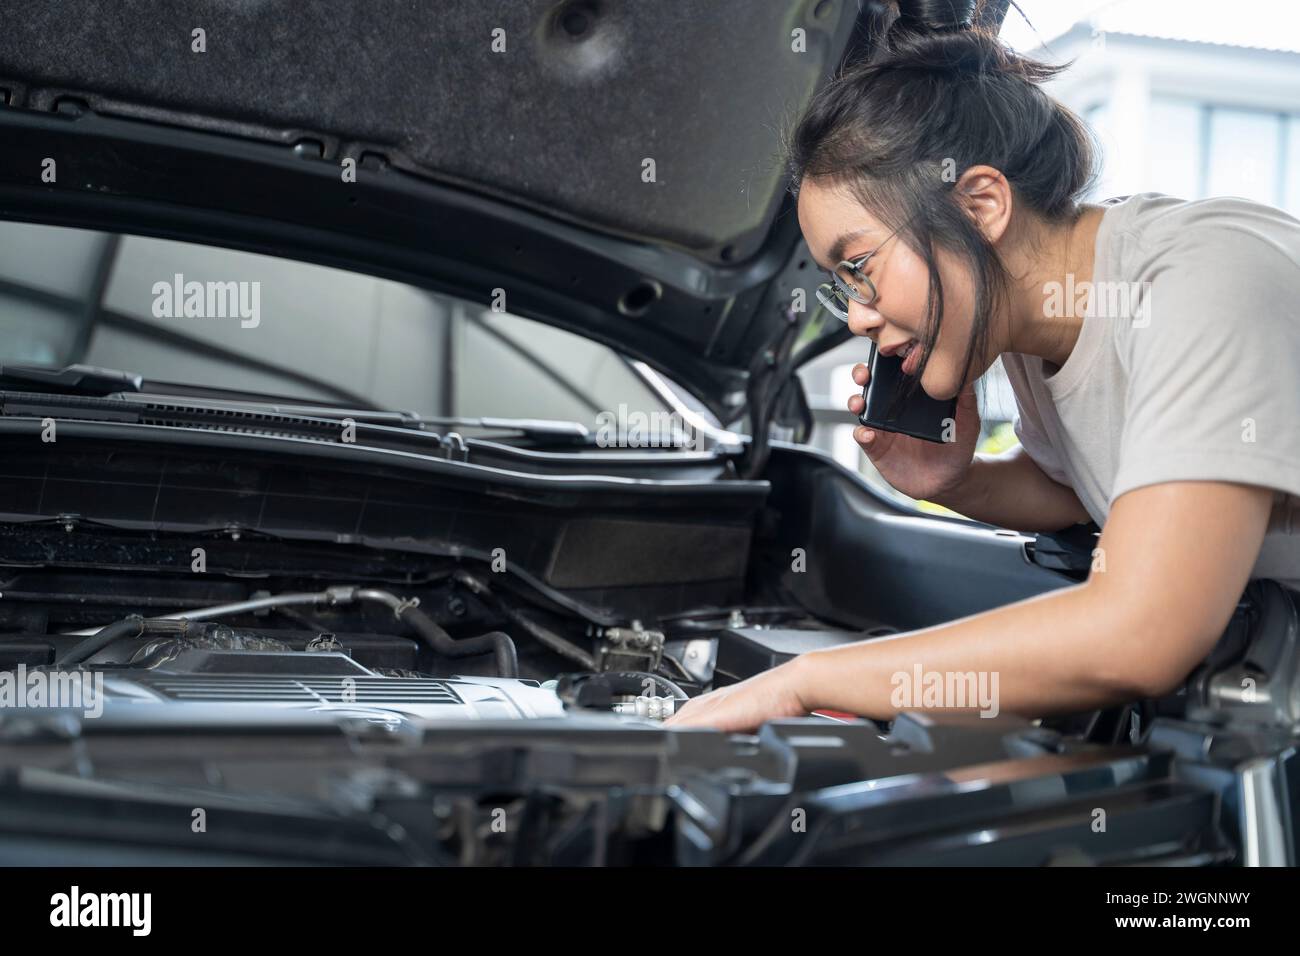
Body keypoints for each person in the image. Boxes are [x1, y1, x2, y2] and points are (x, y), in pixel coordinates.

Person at [665, 0, 1300, 732]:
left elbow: (1141, 633)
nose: (858, 317)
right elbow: (1094, 489)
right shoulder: (1036, 325)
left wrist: (802, 683)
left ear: (981, 203)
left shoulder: (1198, 283)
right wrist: (957, 480)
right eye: (842, 287)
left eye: (859, 266)